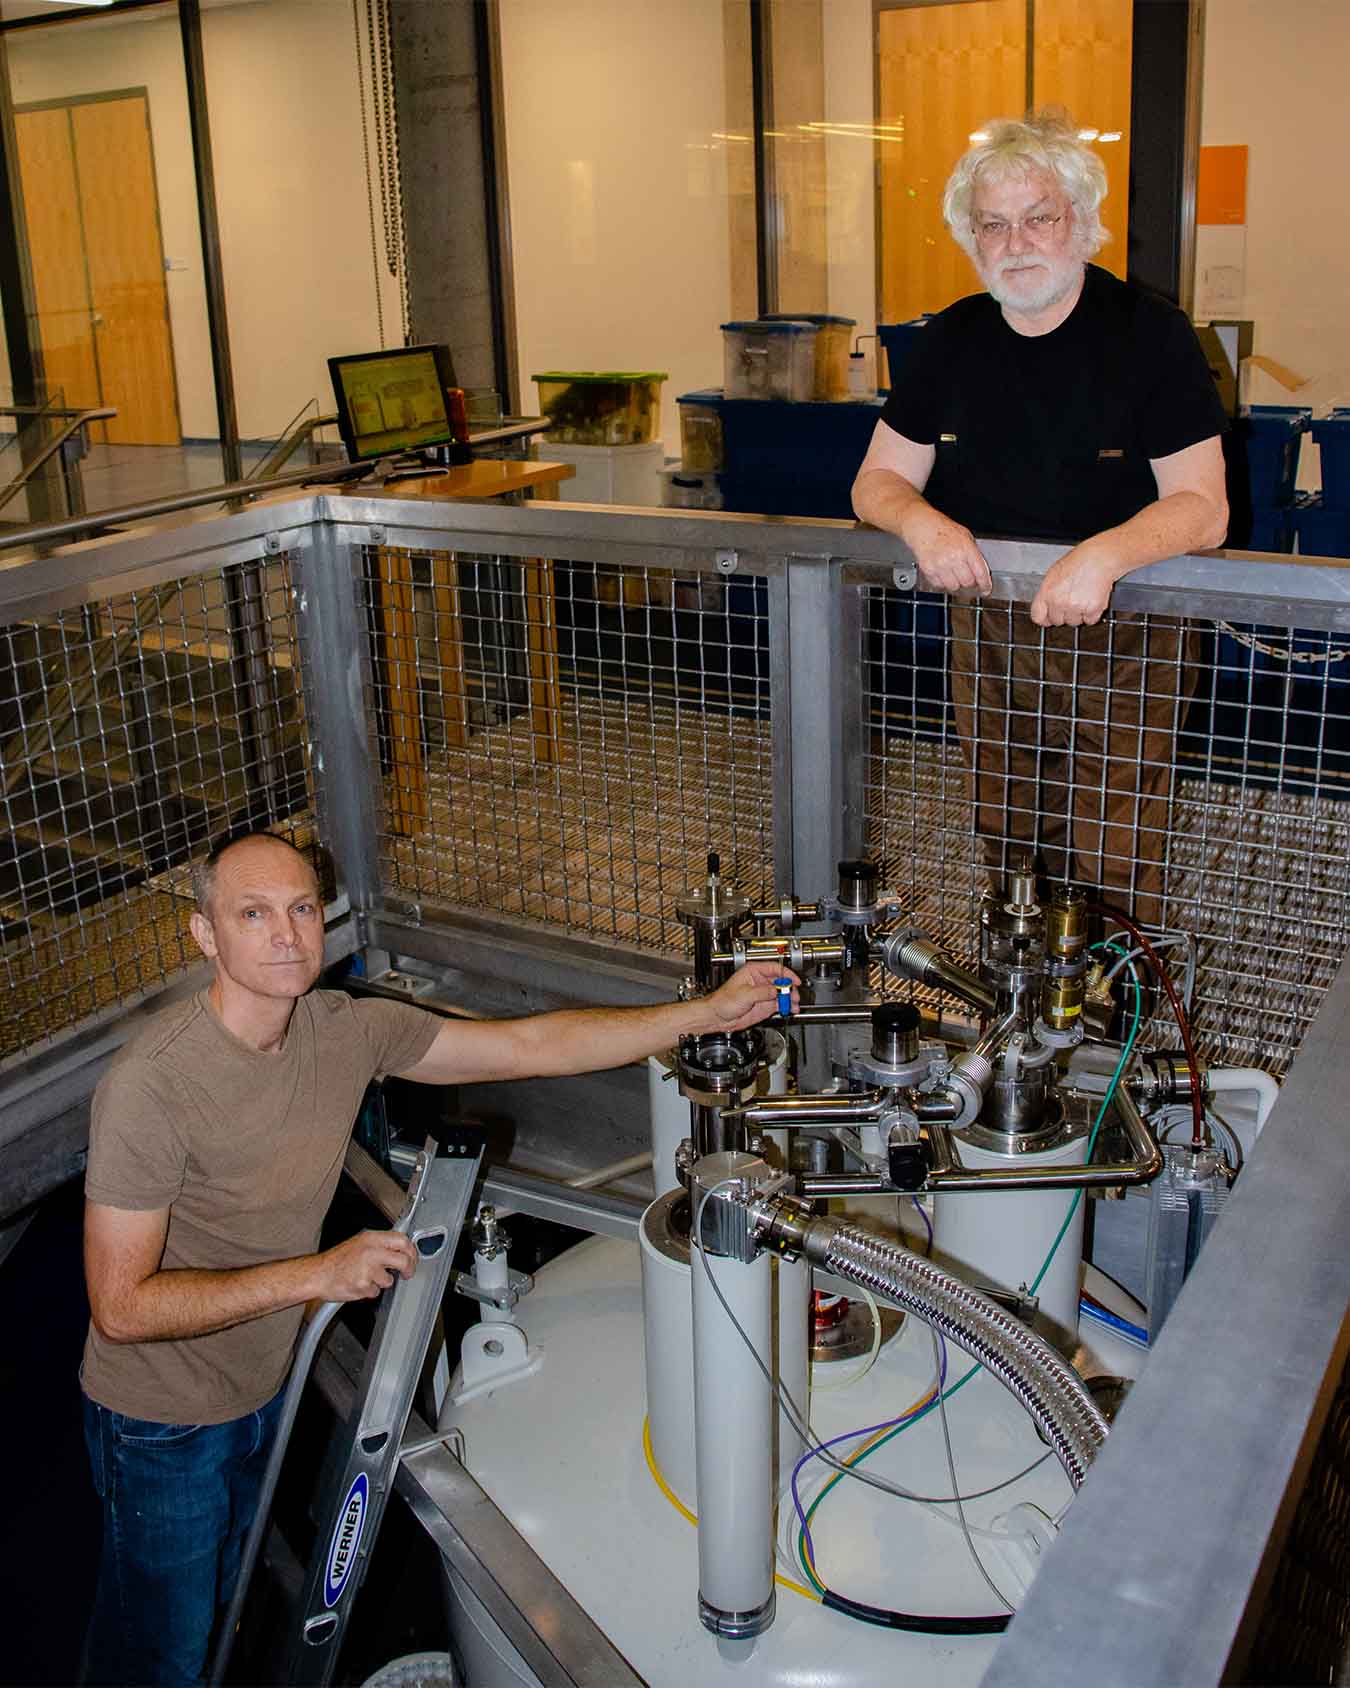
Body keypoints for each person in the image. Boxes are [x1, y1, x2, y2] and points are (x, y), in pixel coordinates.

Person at [80, 828, 795, 1685]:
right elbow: (121, 1308)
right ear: (206, 935)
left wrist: (703, 1014)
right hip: (163, 1420)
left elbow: (533, 1046)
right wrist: (319, 1275)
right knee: (158, 1654)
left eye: (302, 909)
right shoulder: (150, 1085)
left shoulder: (342, 1029)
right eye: (254, 913)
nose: (285, 934)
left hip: (261, 1384)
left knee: (225, 1607)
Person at [853, 111, 1229, 923]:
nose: (1015, 242)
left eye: (1038, 218)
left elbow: (1204, 508)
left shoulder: (1151, 335)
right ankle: (1019, 989)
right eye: (993, 225)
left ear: (1084, 226)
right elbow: (875, 482)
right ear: (970, 239)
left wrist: (1103, 555)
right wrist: (923, 523)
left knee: (1112, 834)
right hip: (992, 622)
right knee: (1006, 821)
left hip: (1127, 619)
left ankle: (1110, 1009)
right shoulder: (950, 339)